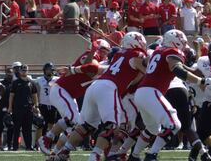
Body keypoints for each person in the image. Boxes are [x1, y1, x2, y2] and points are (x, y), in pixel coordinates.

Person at [51, 32, 146, 161]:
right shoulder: (137, 55)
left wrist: (73, 69)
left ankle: (64, 151)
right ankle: (95, 156)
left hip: (95, 87)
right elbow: (147, 73)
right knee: (112, 125)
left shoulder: (118, 55)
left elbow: (96, 68)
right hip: (109, 88)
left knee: (87, 125)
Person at [130, 29, 195, 160]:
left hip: (141, 92)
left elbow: (145, 62)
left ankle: (134, 155)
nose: (183, 45)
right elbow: (177, 69)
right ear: (175, 41)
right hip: (151, 92)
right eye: (182, 41)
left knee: (152, 129)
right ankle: (151, 154)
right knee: (174, 124)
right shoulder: (172, 52)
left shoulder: (157, 51)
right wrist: (201, 81)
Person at [38, 40, 109, 155]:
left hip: (68, 94)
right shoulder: (91, 56)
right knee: (72, 118)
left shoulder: (99, 61)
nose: (106, 54)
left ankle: (55, 153)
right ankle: (46, 138)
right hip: (61, 89)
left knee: (77, 125)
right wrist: (93, 52)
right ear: (98, 49)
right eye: (104, 51)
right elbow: (90, 69)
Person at [7, 64, 39, 151]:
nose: (24, 72)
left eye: (25, 70)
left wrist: (36, 106)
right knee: (16, 128)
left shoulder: (31, 82)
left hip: (28, 108)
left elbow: (34, 95)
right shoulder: (15, 83)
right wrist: (10, 107)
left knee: (27, 128)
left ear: (28, 71)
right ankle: (15, 146)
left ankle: (29, 146)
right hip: (17, 108)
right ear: (20, 71)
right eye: (22, 70)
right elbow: (11, 96)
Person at [35, 62, 59, 134]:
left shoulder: (57, 79)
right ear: (44, 70)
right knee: (42, 124)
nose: (49, 71)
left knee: (52, 124)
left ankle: (50, 141)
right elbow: (35, 92)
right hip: (43, 105)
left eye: (51, 70)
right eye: (48, 69)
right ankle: (39, 142)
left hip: (53, 105)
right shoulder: (39, 80)